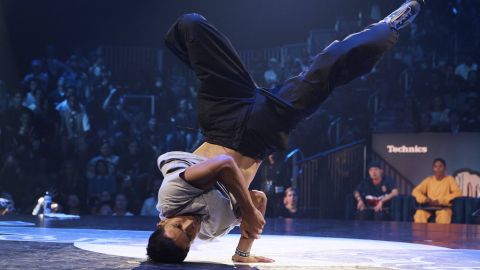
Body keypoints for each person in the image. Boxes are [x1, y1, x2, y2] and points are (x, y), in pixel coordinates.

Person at [149, 0, 424, 263]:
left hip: (224, 117)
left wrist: (247, 212)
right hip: (265, 128)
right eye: (189, 235)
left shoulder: (171, 197)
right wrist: (243, 251)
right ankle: (388, 28)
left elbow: (223, 165)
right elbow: (258, 198)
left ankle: (198, 61)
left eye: (178, 225)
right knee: (326, 70)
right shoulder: (211, 230)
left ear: (163, 221)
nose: (189, 225)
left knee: (191, 25)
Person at [412, 158, 461, 224]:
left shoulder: (449, 179)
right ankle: (421, 234)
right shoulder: (429, 179)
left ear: (444, 168)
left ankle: (440, 234)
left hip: (443, 207)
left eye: (440, 166)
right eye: (435, 167)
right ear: (433, 168)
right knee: (419, 214)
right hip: (429, 206)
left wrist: (440, 201)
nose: (438, 169)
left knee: (444, 216)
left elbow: (457, 193)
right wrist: (424, 199)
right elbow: (415, 191)